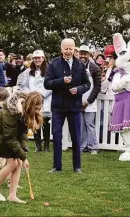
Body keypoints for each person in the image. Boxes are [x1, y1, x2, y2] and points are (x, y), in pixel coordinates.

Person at [0, 91, 43, 203]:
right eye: (35, 108)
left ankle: (12, 196)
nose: (37, 111)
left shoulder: (25, 111)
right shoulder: (11, 112)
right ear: (29, 105)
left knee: (19, 163)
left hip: (9, 137)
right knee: (13, 163)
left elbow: (22, 134)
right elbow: (10, 138)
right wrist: (23, 157)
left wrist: (23, 152)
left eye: (39, 108)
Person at [44, 38, 90, 173]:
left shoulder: (80, 65)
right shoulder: (53, 64)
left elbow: (87, 84)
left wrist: (79, 90)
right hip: (58, 106)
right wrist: (61, 81)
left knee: (76, 136)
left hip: (74, 105)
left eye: (71, 48)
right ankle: (57, 166)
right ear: (61, 49)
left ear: (74, 49)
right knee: (57, 136)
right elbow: (47, 83)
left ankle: (77, 166)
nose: (68, 51)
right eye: (66, 48)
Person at [17, 50, 52, 152]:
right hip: (32, 99)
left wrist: (41, 95)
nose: (37, 60)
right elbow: (23, 85)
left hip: (45, 98)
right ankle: (38, 145)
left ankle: (46, 145)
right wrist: (30, 95)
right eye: (35, 58)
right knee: (34, 120)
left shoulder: (49, 70)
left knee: (45, 120)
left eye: (39, 58)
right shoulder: (28, 71)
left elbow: (51, 85)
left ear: (43, 58)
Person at [78, 45, 101, 154]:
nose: (82, 56)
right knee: (81, 125)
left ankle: (93, 147)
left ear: (89, 55)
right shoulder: (75, 67)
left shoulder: (94, 68)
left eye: (85, 53)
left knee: (89, 124)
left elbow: (97, 87)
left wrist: (88, 101)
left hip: (90, 101)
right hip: (78, 100)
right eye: (81, 53)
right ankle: (82, 146)